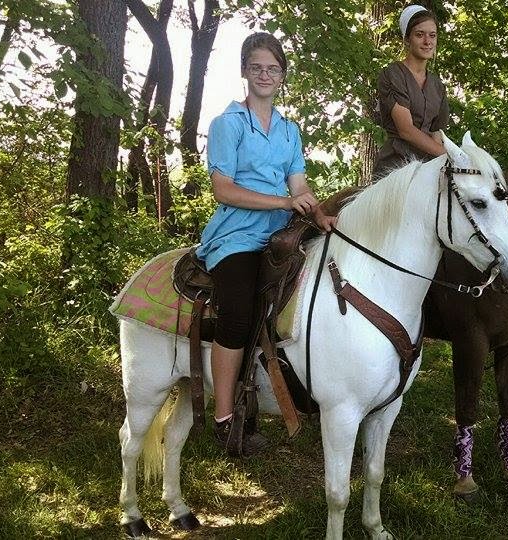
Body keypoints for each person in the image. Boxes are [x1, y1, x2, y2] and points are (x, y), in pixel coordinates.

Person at [197, 32, 336, 457]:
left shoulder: (289, 130)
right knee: (238, 314)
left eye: (272, 69)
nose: (264, 74)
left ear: (282, 76)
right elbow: (223, 189)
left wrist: (318, 214)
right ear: (244, 71)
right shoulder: (228, 124)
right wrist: (284, 201)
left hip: (281, 234)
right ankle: (224, 418)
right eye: (256, 67)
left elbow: (299, 184)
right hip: (237, 235)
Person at [373, 5, 450, 178]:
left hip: (427, 169)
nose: (427, 41)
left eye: (432, 35)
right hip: (395, 169)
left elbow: (436, 133)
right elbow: (405, 129)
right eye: (419, 35)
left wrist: (442, 165)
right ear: (407, 39)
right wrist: (449, 156)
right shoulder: (393, 74)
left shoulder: (438, 85)